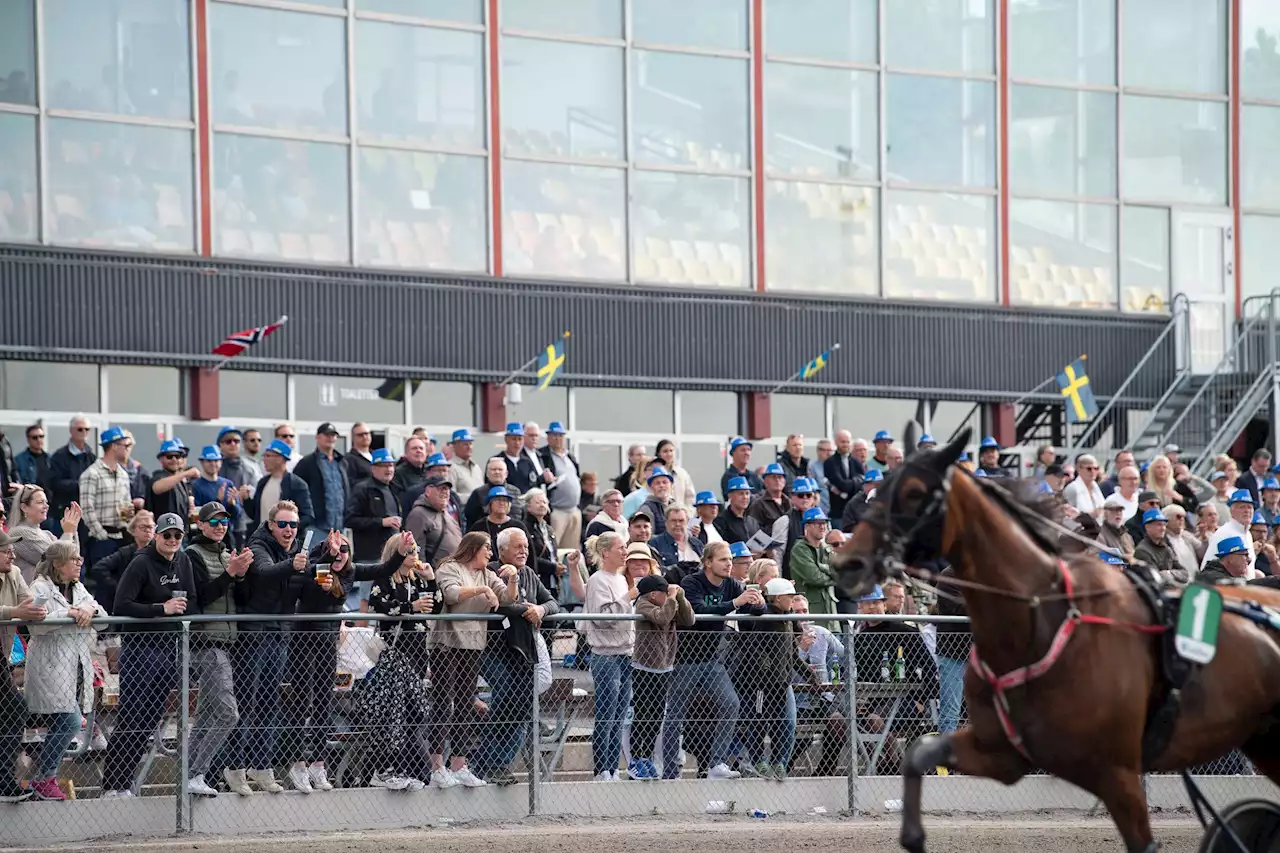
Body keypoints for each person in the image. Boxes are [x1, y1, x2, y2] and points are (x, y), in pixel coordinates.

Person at [101, 512, 246, 797]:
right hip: (141, 649)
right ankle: (110, 786)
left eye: (177, 536)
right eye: (166, 535)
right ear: (156, 535)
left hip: (170, 649)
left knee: (149, 719)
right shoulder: (141, 562)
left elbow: (191, 600)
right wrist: (161, 608)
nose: (171, 540)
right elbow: (122, 605)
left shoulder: (182, 561)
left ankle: (125, 785)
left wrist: (180, 608)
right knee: (132, 717)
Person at [662, 541, 763, 780]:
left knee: (731, 704)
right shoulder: (691, 582)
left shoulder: (732, 584)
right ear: (708, 562)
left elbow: (755, 610)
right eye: (723, 560)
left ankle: (716, 764)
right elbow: (697, 615)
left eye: (730, 560)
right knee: (675, 715)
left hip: (711, 660)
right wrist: (735, 604)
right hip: (684, 661)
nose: (729, 564)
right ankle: (669, 771)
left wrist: (758, 603)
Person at [176, 502, 253, 797]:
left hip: (225, 644)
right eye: (215, 521)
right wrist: (230, 574)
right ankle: (195, 773)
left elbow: (241, 597)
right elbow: (200, 600)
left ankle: (189, 775)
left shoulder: (225, 553)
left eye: (225, 521)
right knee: (228, 714)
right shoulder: (192, 555)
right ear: (202, 525)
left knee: (208, 715)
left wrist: (242, 573)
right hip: (206, 644)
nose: (221, 525)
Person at [473, 526, 558, 785]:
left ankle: (496, 764)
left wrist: (541, 610)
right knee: (508, 694)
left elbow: (554, 602)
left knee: (521, 703)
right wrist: (524, 609)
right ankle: (485, 763)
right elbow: (500, 605)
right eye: (517, 547)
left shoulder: (530, 573)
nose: (524, 551)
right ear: (502, 550)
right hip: (492, 647)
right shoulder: (490, 571)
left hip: (522, 650)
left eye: (526, 546)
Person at [430, 531, 516, 788]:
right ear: (473, 548)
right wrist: (481, 590)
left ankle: (459, 764)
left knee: (466, 704)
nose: (490, 553)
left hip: (474, 643)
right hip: (447, 642)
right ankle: (437, 766)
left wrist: (513, 577)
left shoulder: (488, 573)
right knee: (444, 703)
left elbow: (507, 598)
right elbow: (452, 595)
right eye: (487, 548)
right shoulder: (449, 568)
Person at [22, 540, 105, 800]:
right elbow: (36, 625)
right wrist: (71, 613)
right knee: (70, 721)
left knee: (67, 721)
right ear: (58, 563)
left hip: (74, 667)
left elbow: (102, 619)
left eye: (80, 559)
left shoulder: (79, 588)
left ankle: (45, 778)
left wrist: (89, 609)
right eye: (74, 559)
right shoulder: (40, 587)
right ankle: (44, 778)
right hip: (49, 665)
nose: (80, 563)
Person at [363, 538, 435, 791]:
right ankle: (384, 769)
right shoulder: (385, 578)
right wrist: (410, 607)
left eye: (417, 550)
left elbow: (435, 605)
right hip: (395, 653)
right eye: (409, 550)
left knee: (414, 713)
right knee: (395, 713)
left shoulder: (417, 579)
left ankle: (410, 770)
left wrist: (431, 578)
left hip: (417, 652)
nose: (415, 554)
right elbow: (378, 606)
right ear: (397, 552)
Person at [730, 577, 819, 779]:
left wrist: (808, 674)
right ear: (778, 598)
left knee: (783, 723)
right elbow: (751, 644)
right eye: (790, 597)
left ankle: (779, 761)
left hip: (782, 681)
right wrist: (763, 662)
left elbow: (792, 655)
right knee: (760, 721)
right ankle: (759, 759)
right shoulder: (764, 617)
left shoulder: (787, 619)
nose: (793, 601)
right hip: (761, 683)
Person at [581, 531, 635, 781]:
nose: (625, 552)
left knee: (620, 715)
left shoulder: (621, 580)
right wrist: (629, 597)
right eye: (621, 547)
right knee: (607, 714)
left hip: (625, 653)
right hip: (605, 655)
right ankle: (601, 769)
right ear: (605, 553)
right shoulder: (597, 580)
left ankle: (613, 768)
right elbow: (604, 618)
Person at [630, 573, 694, 781]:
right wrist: (672, 599)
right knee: (643, 715)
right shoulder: (643, 604)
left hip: (665, 667)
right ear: (654, 594)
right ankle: (635, 759)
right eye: (665, 593)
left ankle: (646, 757)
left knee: (656, 716)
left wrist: (681, 598)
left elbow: (689, 619)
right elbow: (662, 617)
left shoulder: (669, 603)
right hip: (645, 668)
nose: (669, 595)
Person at [87, 510, 155, 613]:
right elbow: (98, 568)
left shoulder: (159, 552)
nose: (147, 530)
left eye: (150, 527)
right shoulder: (125, 552)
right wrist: (118, 587)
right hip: (128, 604)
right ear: (133, 530)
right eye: (143, 527)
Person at [8, 485, 80, 583]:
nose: (46, 506)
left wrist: (73, 530)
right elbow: (55, 562)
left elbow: (74, 559)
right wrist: (67, 533)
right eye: (40, 502)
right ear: (24, 507)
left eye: (46, 502)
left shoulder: (47, 534)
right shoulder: (18, 533)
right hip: (32, 595)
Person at [293, 423, 350, 537]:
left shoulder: (342, 462)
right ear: (317, 437)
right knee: (316, 555)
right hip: (316, 527)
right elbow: (295, 491)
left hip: (340, 527)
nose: (330, 438)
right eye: (326, 435)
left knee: (339, 555)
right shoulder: (307, 462)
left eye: (333, 435)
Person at [346, 448, 401, 564]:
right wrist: (381, 522)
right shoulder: (362, 489)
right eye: (384, 466)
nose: (389, 469)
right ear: (373, 468)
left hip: (392, 555)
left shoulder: (395, 489)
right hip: (370, 557)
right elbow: (350, 520)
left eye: (391, 465)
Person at [248, 439, 315, 533]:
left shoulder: (296, 484)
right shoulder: (263, 483)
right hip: (263, 540)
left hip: (286, 542)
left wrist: (287, 528)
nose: (264, 459)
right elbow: (255, 514)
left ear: (280, 458)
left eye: (268, 456)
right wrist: (246, 499)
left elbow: (308, 516)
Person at [539, 421, 583, 551]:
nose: (558, 439)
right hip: (557, 511)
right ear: (548, 437)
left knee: (571, 549)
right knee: (554, 547)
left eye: (560, 435)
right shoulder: (543, 456)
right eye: (554, 435)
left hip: (574, 510)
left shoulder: (570, 456)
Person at [405, 474, 463, 568]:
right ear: (428, 491)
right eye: (441, 488)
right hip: (434, 574)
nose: (445, 492)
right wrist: (424, 576)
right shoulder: (418, 514)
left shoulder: (447, 514)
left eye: (447, 489)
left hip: (454, 571)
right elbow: (415, 551)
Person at [790, 508, 836, 623]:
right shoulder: (799, 549)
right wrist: (833, 578)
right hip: (810, 610)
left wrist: (821, 568)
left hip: (831, 612)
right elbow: (814, 577)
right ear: (807, 526)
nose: (822, 527)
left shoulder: (827, 548)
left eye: (824, 523)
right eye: (817, 523)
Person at [522, 488, 558, 593]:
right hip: (535, 580)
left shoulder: (549, 529)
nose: (542, 505)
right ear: (528, 506)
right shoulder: (524, 527)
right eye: (538, 502)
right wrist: (553, 567)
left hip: (552, 581)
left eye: (544, 502)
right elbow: (529, 558)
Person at [468, 486, 523, 553]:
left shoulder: (518, 526)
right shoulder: (479, 526)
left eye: (505, 500)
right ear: (490, 504)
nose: (501, 503)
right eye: (498, 499)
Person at [714, 477, 759, 544]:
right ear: (730, 496)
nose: (745, 497)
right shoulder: (720, 521)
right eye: (741, 493)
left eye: (747, 493)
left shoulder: (753, 521)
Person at [446, 429, 484, 505]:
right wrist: (474, 497)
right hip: (463, 512)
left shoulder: (476, 467)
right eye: (465, 444)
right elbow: (450, 495)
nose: (469, 447)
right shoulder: (450, 467)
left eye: (470, 443)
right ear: (454, 447)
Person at [655, 439, 696, 508]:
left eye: (671, 451)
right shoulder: (654, 473)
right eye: (665, 451)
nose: (669, 454)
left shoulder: (682, 473)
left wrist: (688, 513)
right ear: (659, 454)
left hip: (681, 515)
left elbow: (690, 497)